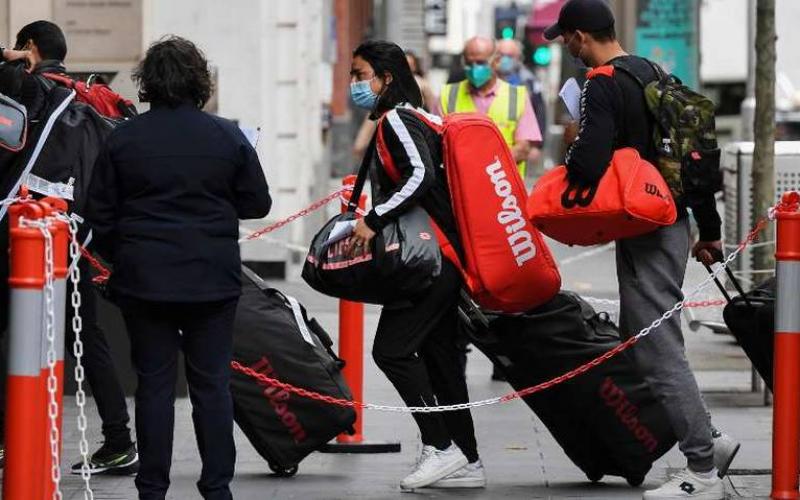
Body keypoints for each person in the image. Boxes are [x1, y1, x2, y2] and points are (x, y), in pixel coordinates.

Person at [544, 1, 738, 499]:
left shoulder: (602, 82)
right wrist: (708, 229)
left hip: (645, 227)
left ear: (582, 37)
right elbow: (694, 156)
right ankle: (710, 442)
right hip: (670, 221)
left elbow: (588, 164)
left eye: (566, 39)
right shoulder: (653, 73)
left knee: (657, 346)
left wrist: (576, 140)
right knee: (643, 335)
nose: (566, 48)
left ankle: (703, 468)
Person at [85, 36, 271, 500]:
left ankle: (152, 488)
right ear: (198, 80)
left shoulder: (123, 137)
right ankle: (216, 488)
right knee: (212, 385)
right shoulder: (226, 134)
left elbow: (99, 216)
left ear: (148, 83)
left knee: (153, 385)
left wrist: (122, 254)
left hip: (145, 279)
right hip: (212, 278)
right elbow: (257, 201)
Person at [0, 20, 138, 474]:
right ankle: (119, 440)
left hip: (24, 235)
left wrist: (9, 60)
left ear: (30, 48)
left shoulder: (32, 90)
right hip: (75, 237)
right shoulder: (86, 96)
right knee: (86, 337)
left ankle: (7, 441)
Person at [348, 39, 485, 490]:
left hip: (427, 260)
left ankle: (440, 447)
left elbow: (420, 176)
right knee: (442, 361)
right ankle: (466, 461)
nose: (354, 84)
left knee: (391, 350)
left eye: (359, 74)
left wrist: (374, 217)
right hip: (446, 259)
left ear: (385, 79)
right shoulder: (424, 117)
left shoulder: (397, 119)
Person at [433, 36, 542, 179]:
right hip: (459, 188)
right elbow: (435, 143)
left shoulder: (517, 96)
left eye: (480, 63)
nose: (474, 69)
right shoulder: (447, 95)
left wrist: (483, 167)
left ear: (496, 61)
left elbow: (522, 149)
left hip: (505, 192)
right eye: (469, 63)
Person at [495, 38, 546, 155]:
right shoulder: (488, 79)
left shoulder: (529, 80)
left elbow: (539, 111)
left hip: (519, 144)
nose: (504, 59)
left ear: (518, 57)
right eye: (501, 55)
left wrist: (537, 146)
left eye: (509, 55)